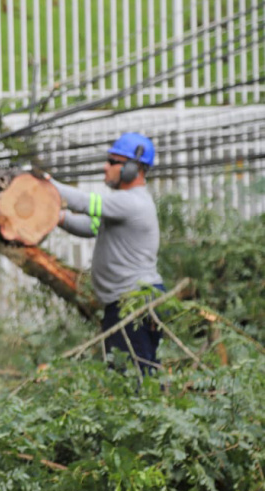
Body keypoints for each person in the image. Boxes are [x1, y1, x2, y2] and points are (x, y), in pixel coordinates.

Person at [51, 132, 165, 374]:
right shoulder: (121, 207)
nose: (106, 167)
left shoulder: (132, 203)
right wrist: (58, 217)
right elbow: (90, 226)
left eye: (113, 162)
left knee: (134, 379)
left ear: (133, 169)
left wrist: (45, 183)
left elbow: (84, 203)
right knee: (127, 374)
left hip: (134, 303)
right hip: (125, 302)